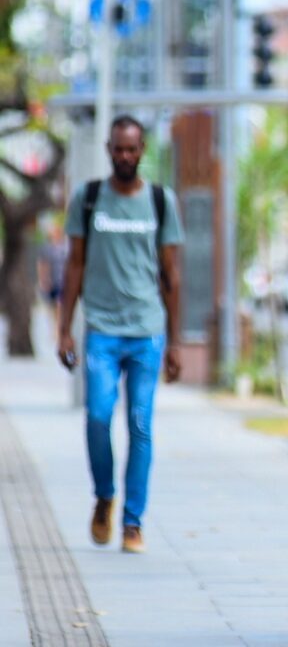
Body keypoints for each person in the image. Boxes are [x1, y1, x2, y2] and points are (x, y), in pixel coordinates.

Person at [57, 116, 183, 555]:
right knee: (97, 416)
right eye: (118, 149)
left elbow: (171, 275)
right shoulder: (89, 199)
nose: (125, 156)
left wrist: (176, 342)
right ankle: (104, 496)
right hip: (102, 332)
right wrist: (64, 330)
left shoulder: (160, 201)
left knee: (140, 425)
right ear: (109, 149)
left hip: (147, 332)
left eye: (132, 149)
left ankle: (133, 522)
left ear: (143, 149)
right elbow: (74, 264)